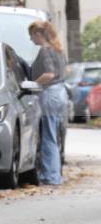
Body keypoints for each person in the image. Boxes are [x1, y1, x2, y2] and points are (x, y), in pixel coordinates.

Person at [28, 20, 69, 185]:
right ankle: (54, 174)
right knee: (53, 135)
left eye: (31, 36)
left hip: (50, 94)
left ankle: (51, 176)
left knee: (49, 137)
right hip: (60, 93)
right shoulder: (58, 49)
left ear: (38, 35)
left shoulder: (45, 51)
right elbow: (64, 71)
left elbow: (49, 74)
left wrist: (34, 84)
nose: (31, 40)